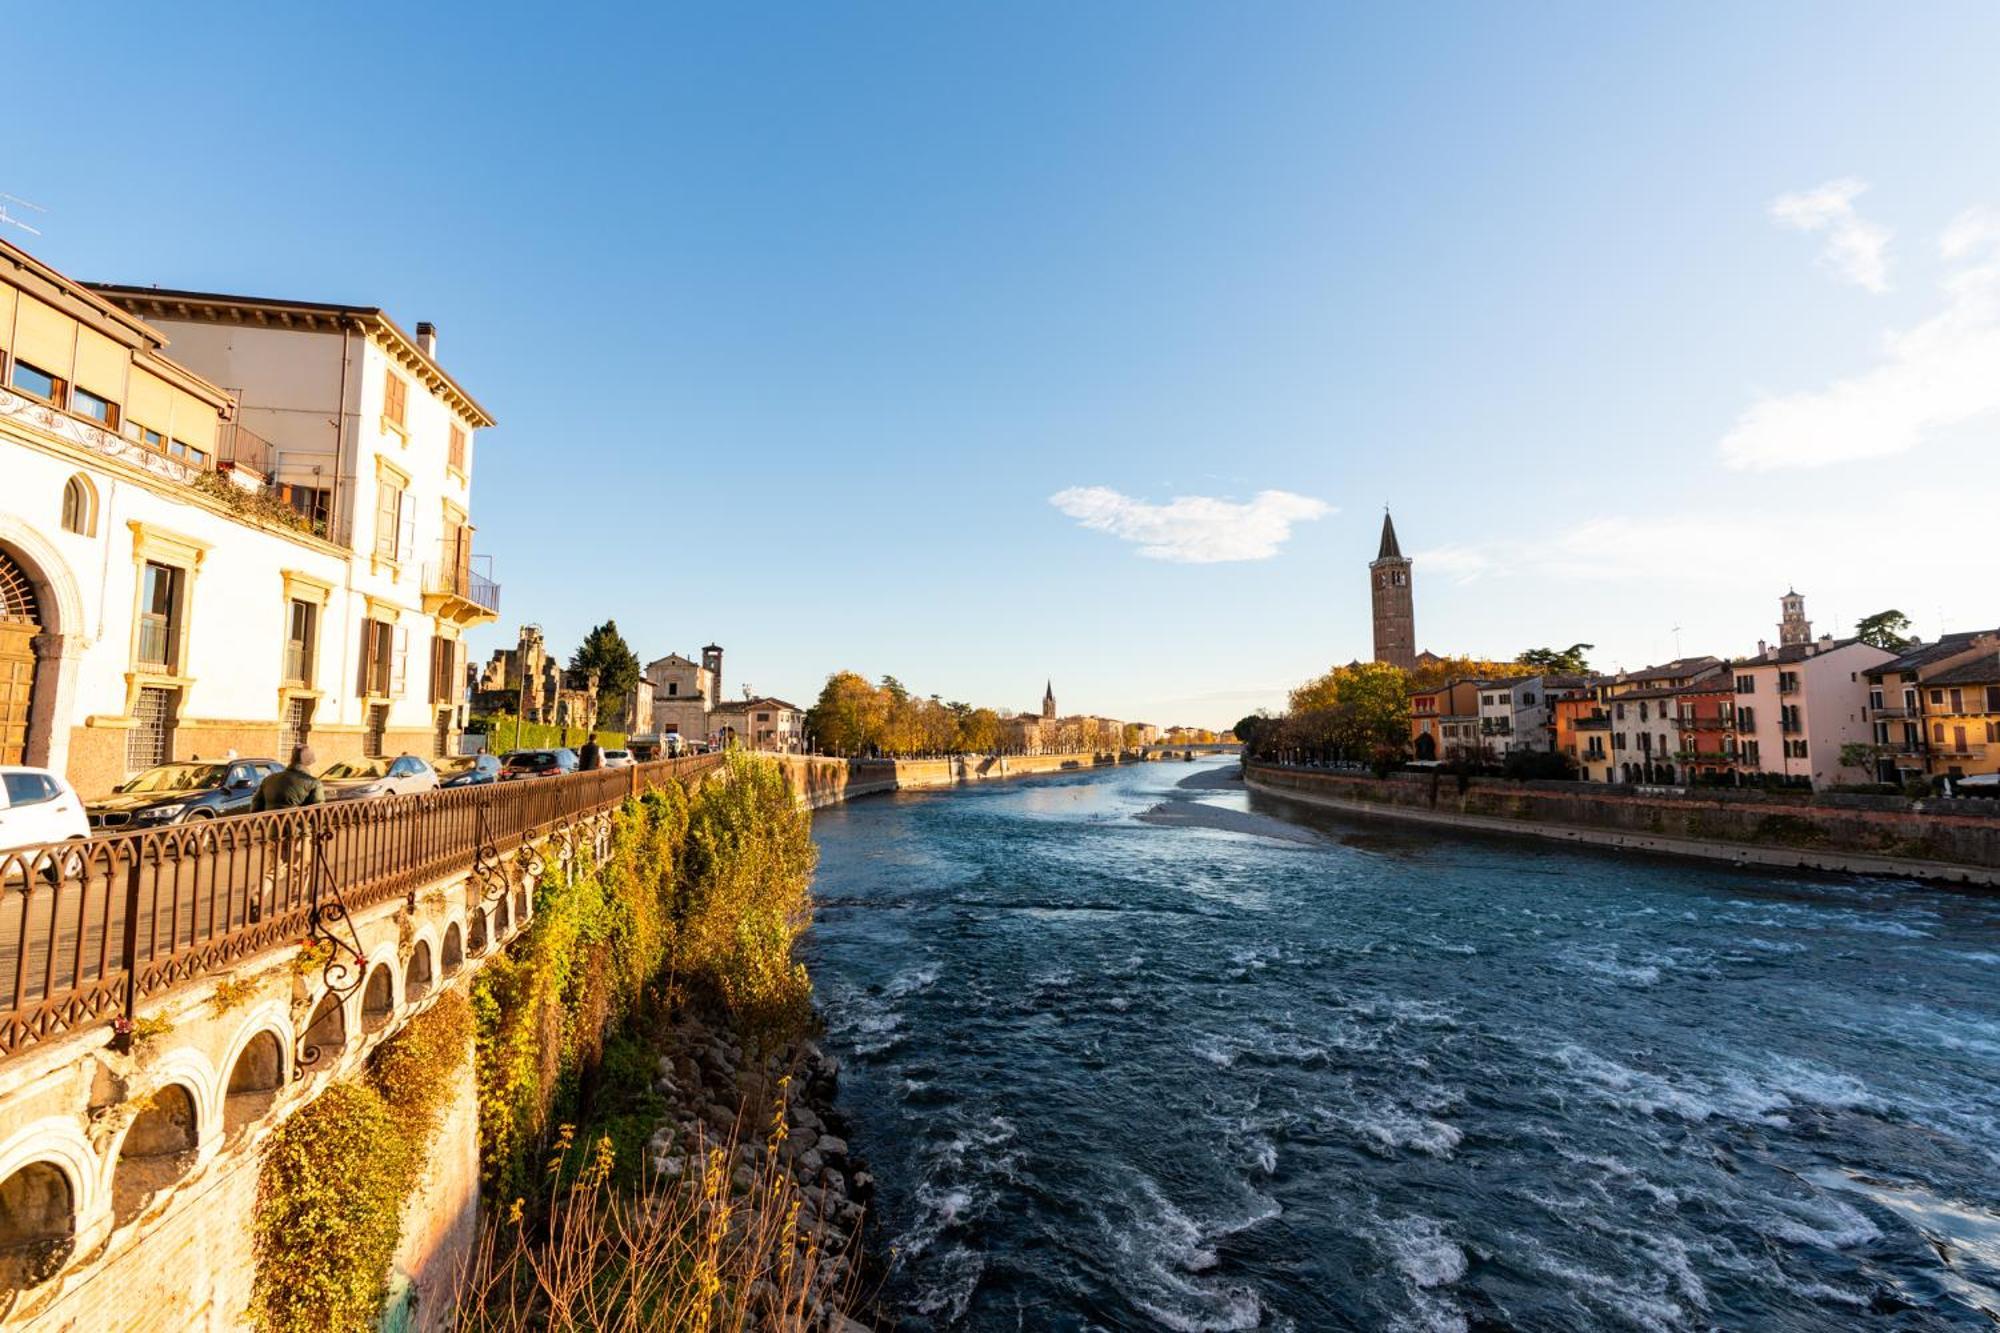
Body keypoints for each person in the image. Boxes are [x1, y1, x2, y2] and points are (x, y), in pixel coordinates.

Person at [253, 745, 325, 810]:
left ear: (292, 759)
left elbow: (256, 807)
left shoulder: (268, 779)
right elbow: (318, 812)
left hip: (270, 823)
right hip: (296, 824)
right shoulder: (314, 783)